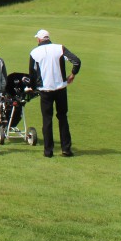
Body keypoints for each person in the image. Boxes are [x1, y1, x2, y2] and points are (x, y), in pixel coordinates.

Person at [28, 29, 81, 158]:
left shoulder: (34, 52)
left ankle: (48, 151)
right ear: (48, 38)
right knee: (62, 117)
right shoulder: (59, 48)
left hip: (45, 90)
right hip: (61, 88)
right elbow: (76, 61)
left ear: (39, 39)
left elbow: (32, 74)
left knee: (47, 120)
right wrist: (73, 74)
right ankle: (66, 149)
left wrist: (33, 88)